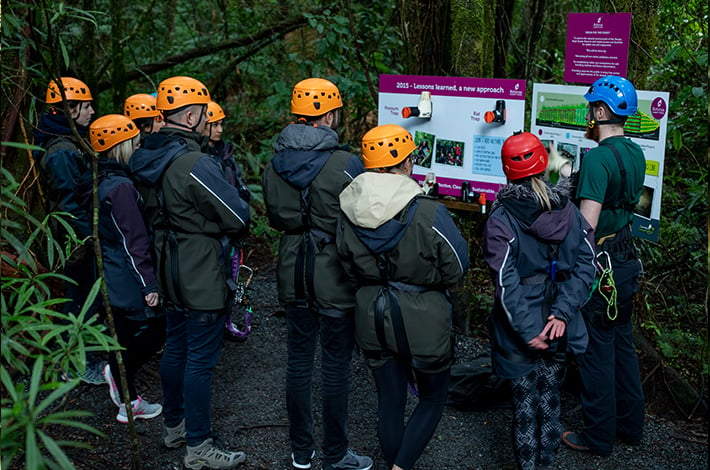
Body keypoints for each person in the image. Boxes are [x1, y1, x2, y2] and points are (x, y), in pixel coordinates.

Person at [129, 76, 250, 469]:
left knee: (177, 346)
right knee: (200, 358)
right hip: (199, 270)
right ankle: (198, 446)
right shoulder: (193, 163)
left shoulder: (145, 156)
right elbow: (237, 215)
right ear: (194, 114)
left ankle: (174, 425)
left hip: (169, 267)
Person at [336, 124, 469, 470]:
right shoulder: (428, 212)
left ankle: (396, 463)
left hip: (370, 315)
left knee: (390, 400)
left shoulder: (347, 209)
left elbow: (346, 263)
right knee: (432, 396)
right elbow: (456, 266)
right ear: (406, 164)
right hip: (423, 318)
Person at [261, 78, 372, 470]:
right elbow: (365, 215)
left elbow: (274, 215)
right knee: (336, 364)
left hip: (292, 269)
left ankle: (301, 451)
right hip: (334, 273)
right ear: (328, 114)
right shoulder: (345, 164)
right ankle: (336, 453)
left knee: (298, 360)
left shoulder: (275, 163)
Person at [483, 132, 596, 470]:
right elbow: (586, 264)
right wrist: (561, 313)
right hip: (560, 326)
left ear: (506, 171)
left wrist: (529, 329)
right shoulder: (571, 212)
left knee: (523, 407)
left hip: (522, 329)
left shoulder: (501, 219)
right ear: (543, 164)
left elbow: (505, 282)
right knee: (549, 402)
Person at [562, 75, 646, 456]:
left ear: (600, 111)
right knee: (623, 347)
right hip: (627, 263)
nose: (588, 116)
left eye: (590, 109)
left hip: (602, 269)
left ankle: (598, 437)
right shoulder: (635, 153)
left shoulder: (597, 159)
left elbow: (586, 227)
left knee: (596, 351)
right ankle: (630, 425)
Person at [84, 114, 165, 423]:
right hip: (125, 277)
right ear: (121, 146)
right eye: (134, 142)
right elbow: (134, 240)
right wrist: (149, 286)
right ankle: (125, 395)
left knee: (126, 337)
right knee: (152, 332)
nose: (138, 145)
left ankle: (125, 393)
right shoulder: (120, 188)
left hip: (110, 272)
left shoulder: (99, 177)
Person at [32, 76, 105, 385]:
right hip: (74, 237)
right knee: (80, 296)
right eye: (85, 107)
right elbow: (68, 201)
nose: (91, 112)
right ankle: (80, 362)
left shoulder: (69, 139)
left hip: (76, 233)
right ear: (68, 109)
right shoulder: (61, 150)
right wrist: (86, 238)